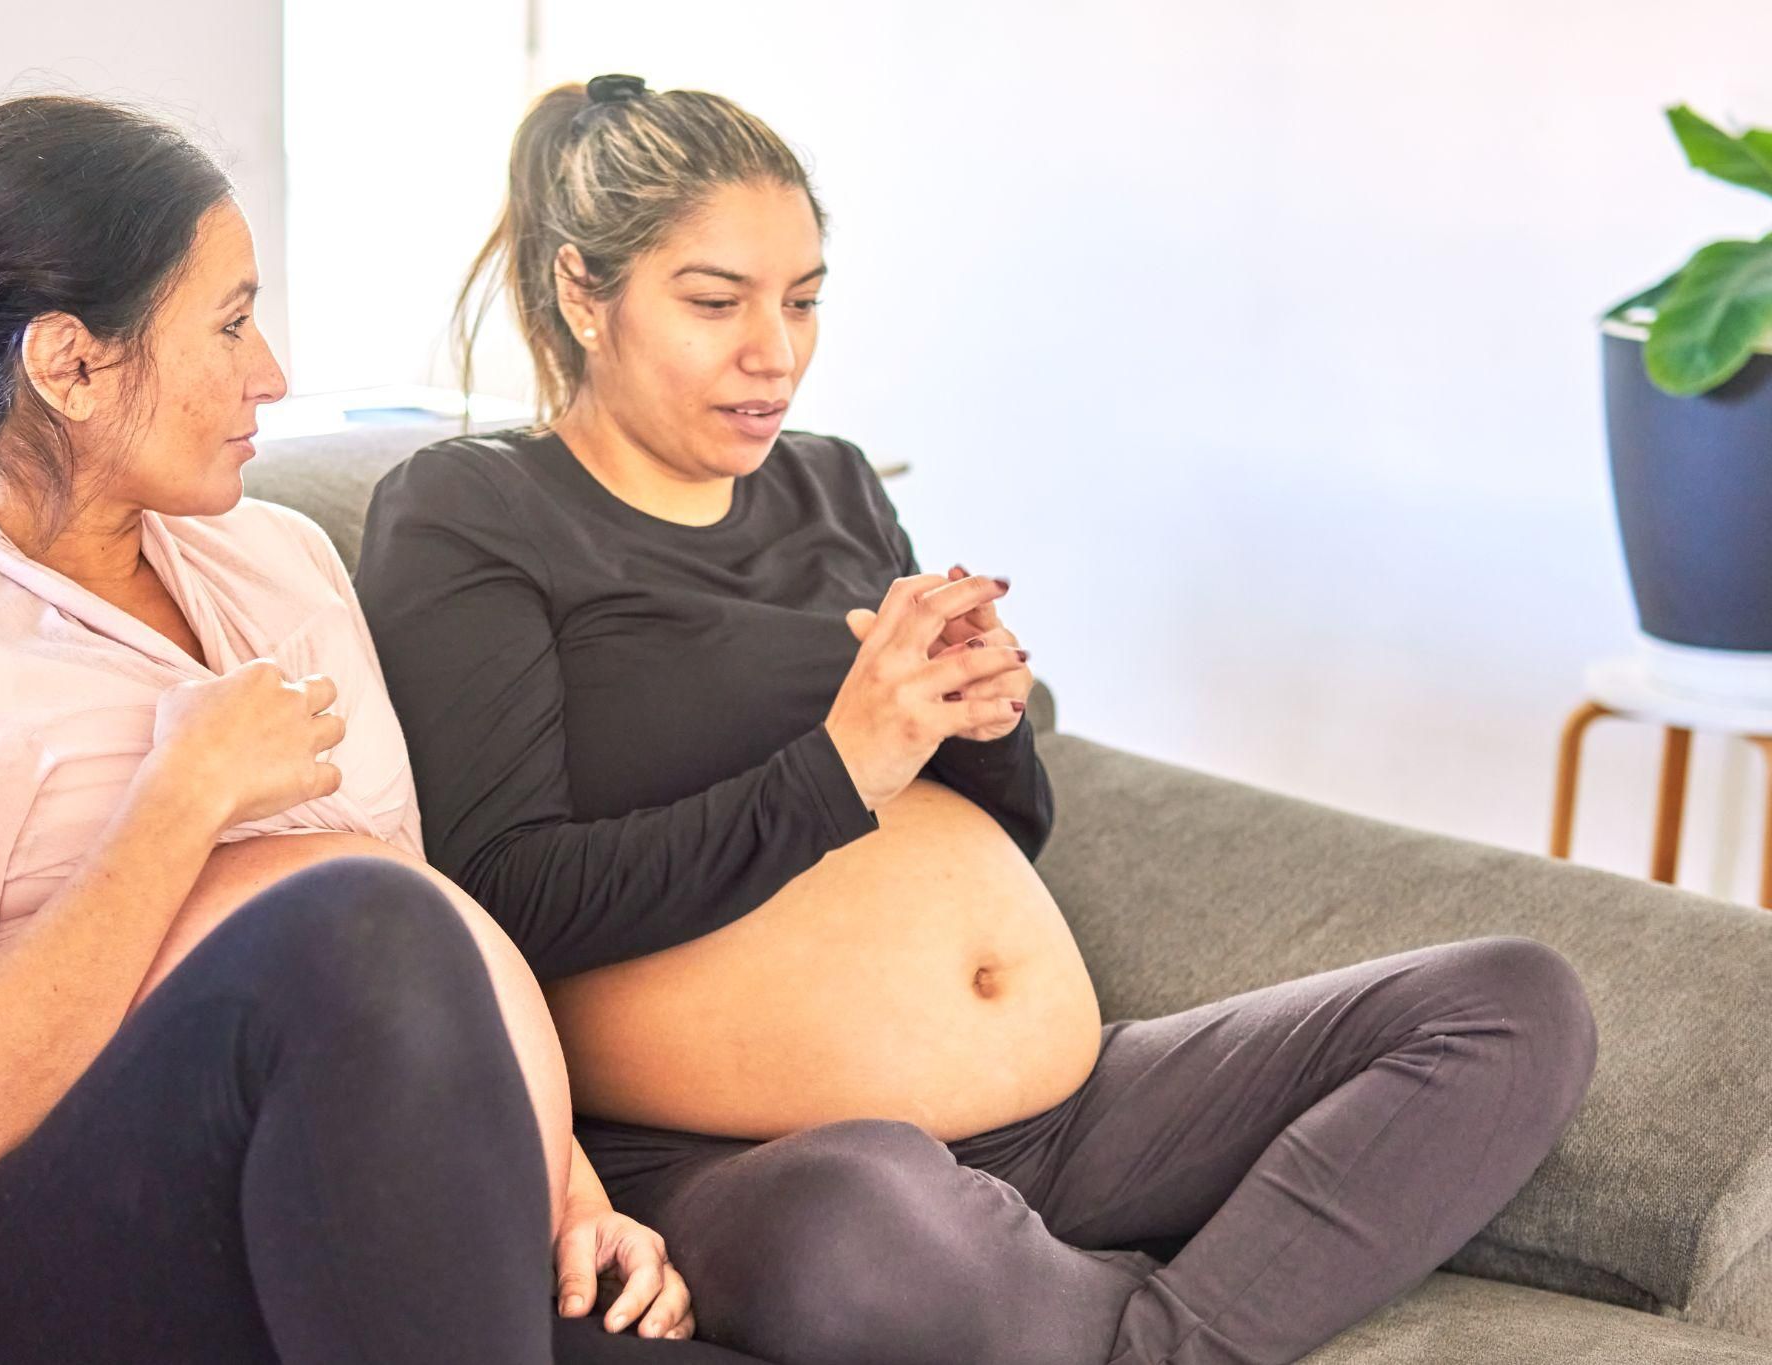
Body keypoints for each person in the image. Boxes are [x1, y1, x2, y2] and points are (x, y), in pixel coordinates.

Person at [353, 74, 1602, 1365]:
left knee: (1512, 1000)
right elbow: (498, 891)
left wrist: (982, 716)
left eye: (805, 297)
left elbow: (1001, 828)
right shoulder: (472, 510)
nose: (773, 350)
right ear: (581, 290)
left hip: (1069, 1112)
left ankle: (1146, 1338)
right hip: (752, 1152)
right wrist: (846, 762)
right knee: (863, 1234)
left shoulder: (828, 482)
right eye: (715, 301)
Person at [0, 94, 766, 1365]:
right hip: (14, 1282)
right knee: (353, 921)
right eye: (228, 323)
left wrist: (568, 1191)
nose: (270, 373)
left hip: (373, 1219)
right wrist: (178, 799)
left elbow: (429, 936)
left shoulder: (277, 559)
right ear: (68, 365)